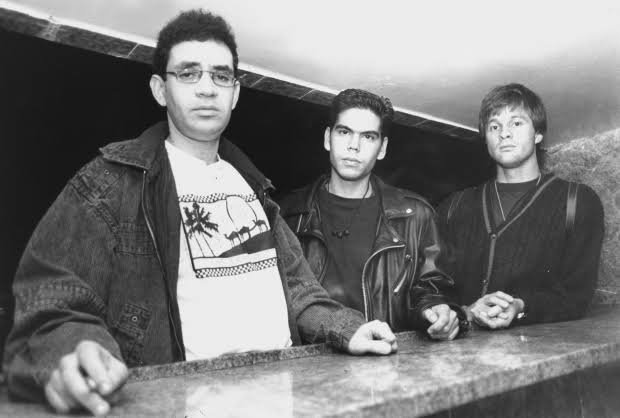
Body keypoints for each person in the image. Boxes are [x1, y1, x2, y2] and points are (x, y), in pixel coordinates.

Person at [3, 10, 398, 415]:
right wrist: (72, 350)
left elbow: (298, 290)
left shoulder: (254, 188)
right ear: (160, 89)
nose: (207, 89)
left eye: (221, 76)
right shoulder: (110, 183)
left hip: (285, 402)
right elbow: (53, 304)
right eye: (189, 73)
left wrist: (348, 329)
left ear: (235, 93)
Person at [279, 89, 465, 340]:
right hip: (312, 359)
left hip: (389, 354)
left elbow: (432, 288)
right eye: (344, 132)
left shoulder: (416, 215)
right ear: (327, 138)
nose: (353, 146)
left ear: (382, 148)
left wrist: (435, 309)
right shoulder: (287, 215)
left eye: (367, 136)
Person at [437, 83, 604, 330]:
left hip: (541, 349)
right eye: (494, 126)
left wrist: (521, 307)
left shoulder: (578, 202)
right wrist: (465, 312)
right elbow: (433, 289)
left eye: (516, 123)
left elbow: (577, 296)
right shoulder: (454, 206)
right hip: (459, 349)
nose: (504, 133)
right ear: (486, 139)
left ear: (538, 134)